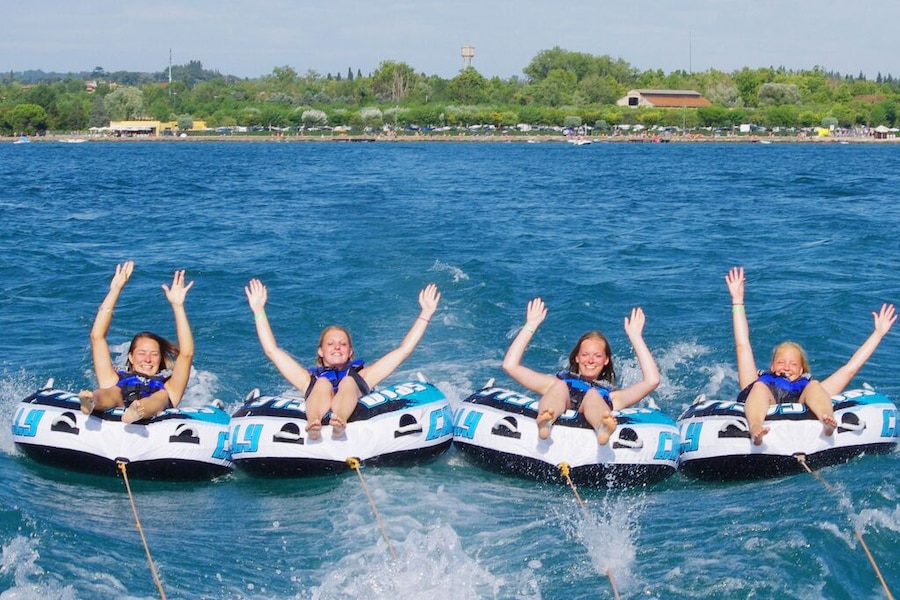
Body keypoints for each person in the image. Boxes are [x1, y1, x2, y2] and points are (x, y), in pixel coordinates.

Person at [245, 279, 440, 440]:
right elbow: (272, 351)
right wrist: (258, 310)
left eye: (343, 344)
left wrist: (426, 313)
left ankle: (339, 421)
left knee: (348, 381)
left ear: (350, 353)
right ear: (321, 352)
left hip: (351, 407)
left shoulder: (364, 376)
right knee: (322, 383)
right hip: (318, 399)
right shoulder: (307, 379)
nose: (337, 346)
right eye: (330, 344)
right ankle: (313, 423)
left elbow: (403, 351)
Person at [725, 266, 896, 445]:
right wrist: (737, 301)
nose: (786, 367)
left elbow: (850, 370)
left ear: (801, 370)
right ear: (772, 366)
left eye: (793, 364)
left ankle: (827, 419)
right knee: (759, 387)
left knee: (815, 385)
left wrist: (878, 334)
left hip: (803, 403)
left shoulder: (806, 387)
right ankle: (755, 428)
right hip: (763, 401)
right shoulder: (756, 382)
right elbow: (742, 345)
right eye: (781, 362)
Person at [502, 297, 660, 445]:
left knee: (593, 394)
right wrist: (531, 325)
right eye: (585, 355)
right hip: (559, 400)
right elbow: (510, 365)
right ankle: (546, 422)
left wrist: (636, 337)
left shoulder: (613, 396)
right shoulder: (557, 382)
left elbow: (652, 380)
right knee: (559, 386)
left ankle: (603, 428)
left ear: (606, 360)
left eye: (597, 356)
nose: (590, 360)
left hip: (596, 407)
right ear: (576, 357)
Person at [79, 261, 195, 424]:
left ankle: (138, 410)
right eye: (142, 353)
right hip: (117, 399)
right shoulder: (115, 378)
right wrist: (115, 290)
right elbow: (97, 336)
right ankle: (92, 401)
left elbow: (186, 354)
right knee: (113, 391)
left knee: (161, 397)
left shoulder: (169, 387)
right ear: (131, 357)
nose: (148, 359)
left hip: (149, 408)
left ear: (160, 359)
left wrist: (178, 306)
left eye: (154, 354)